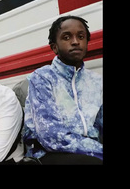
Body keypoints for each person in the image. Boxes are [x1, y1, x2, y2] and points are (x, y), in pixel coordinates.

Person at [23, 15, 103, 165]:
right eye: (67, 37)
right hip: (47, 153)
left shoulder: (96, 82)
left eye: (81, 36)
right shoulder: (42, 78)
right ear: (54, 47)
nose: (75, 42)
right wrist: (99, 150)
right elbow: (51, 136)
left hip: (92, 152)